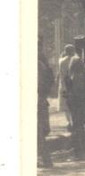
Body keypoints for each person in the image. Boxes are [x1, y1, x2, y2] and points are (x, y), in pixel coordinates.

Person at [62, 38, 85, 160]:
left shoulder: (78, 60)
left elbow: (74, 80)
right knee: (84, 125)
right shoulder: (79, 61)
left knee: (82, 125)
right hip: (80, 98)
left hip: (79, 98)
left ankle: (83, 152)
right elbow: (76, 81)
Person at [37, 37, 55, 168]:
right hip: (41, 100)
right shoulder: (43, 62)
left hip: (39, 100)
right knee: (40, 131)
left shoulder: (39, 64)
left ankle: (45, 159)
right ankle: (45, 158)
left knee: (39, 131)